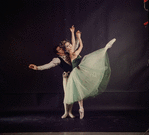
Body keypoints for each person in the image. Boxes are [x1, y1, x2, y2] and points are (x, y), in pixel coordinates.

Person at [61, 27, 116, 119]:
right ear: (66, 50)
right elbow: (77, 45)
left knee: (81, 90)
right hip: (76, 74)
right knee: (79, 91)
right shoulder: (72, 53)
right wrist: (75, 34)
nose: (70, 46)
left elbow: (78, 45)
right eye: (67, 46)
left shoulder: (73, 51)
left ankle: (81, 108)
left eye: (69, 44)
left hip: (80, 69)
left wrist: (77, 36)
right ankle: (80, 108)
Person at [29, 26, 79, 119]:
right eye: (59, 49)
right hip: (67, 77)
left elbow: (74, 44)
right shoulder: (57, 59)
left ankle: (70, 112)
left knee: (72, 94)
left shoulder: (70, 52)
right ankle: (66, 112)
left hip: (74, 76)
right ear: (58, 53)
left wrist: (73, 33)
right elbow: (48, 65)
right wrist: (37, 67)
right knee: (67, 94)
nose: (61, 49)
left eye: (61, 48)